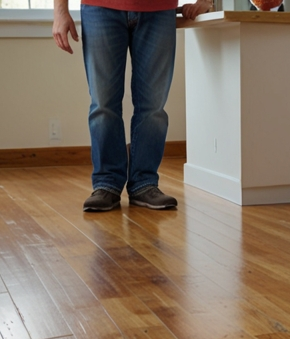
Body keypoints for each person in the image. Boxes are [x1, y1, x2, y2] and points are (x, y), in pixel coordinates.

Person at [53, 0, 212, 211]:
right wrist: (60, 11)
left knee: (153, 106)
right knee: (103, 104)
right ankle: (106, 184)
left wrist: (207, 1)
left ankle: (144, 183)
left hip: (159, 10)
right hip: (100, 8)